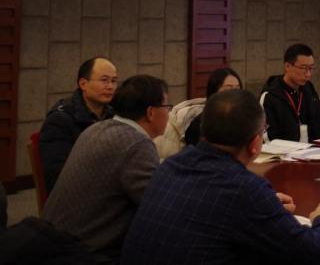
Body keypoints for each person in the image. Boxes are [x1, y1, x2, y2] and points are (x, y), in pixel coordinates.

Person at [121, 89, 320, 265]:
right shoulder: (245, 189)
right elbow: (316, 254)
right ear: (255, 144)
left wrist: (263, 207)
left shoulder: (170, 166)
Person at [43, 75, 169, 261]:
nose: (169, 113)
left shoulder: (96, 128)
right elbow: (157, 205)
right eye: (167, 107)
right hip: (83, 254)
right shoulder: (136, 143)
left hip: (50, 242)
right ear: (151, 112)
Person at [40, 57, 118, 193]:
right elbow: (59, 174)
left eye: (114, 81)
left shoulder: (114, 113)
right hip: (78, 193)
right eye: (104, 80)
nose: (110, 86)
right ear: (83, 84)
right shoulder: (60, 120)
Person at [155, 67, 243, 159]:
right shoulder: (201, 124)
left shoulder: (243, 118)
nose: (234, 94)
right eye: (228, 89)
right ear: (214, 93)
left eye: (237, 89)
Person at [261, 44, 320, 141]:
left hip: (314, 148)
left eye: (311, 68)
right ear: (287, 66)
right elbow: (268, 139)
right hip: (284, 150)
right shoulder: (270, 96)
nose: (308, 74)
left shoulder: (309, 89)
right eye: (303, 68)